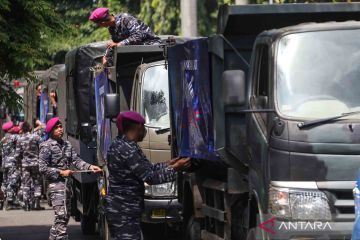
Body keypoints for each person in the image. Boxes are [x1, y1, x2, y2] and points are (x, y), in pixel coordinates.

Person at [105, 111, 190, 240]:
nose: (144, 130)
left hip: (123, 209)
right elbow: (150, 177)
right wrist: (177, 169)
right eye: (144, 126)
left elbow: (148, 168)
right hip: (124, 211)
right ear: (139, 126)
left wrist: (170, 164)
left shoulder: (123, 145)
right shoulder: (126, 149)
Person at [39, 117, 102, 240]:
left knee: (65, 217)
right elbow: (42, 169)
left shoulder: (67, 144)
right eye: (56, 127)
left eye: (61, 126)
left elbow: (76, 160)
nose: (60, 129)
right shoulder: (46, 146)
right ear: (51, 131)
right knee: (61, 217)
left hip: (67, 186)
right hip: (56, 186)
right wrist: (61, 172)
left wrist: (90, 167)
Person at [89, 7, 161, 65]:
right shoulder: (112, 28)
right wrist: (106, 57)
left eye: (99, 24)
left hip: (152, 47)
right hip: (136, 51)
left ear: (103, 23)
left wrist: (120, 44)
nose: (100, 26)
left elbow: (138, 36)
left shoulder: (125, 18)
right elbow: (114, 44)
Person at [14, 121, 44, 211]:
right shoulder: (36, 137)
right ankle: (36, 204)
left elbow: (17, 155)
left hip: (25, 164)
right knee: (37, 182)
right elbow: (43, 149)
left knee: (26, 183)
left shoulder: (20, 139)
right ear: (30, 128)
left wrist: (20, 163)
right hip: (36, 163)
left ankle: (26, 204)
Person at [0, 121, 21, 210]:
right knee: (13, 181)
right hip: (12, 163)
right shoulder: (14, 137)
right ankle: (10, 202)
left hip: (4, 163)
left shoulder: (3, 139)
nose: (14, 128)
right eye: (12, 127)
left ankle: (1, 201)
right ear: (9, 129)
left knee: (5, 182)